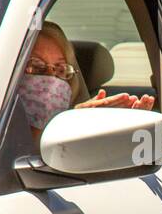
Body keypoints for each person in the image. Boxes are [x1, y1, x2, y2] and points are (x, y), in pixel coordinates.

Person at [17, 20, 154, 143]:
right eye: (36, 66)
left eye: (61, 69)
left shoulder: (79, 132)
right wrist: (72, 123)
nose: (51, 78)